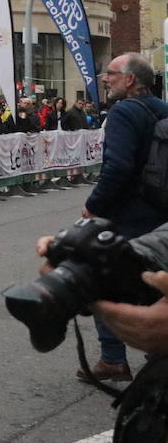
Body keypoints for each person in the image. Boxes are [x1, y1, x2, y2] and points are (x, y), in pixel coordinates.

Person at [75, 52, 168, 383]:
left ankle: (113, 359)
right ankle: (158, 353)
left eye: (111, 74)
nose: (105, 78)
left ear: (130, 80)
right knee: (157, 283)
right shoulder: (162, 108)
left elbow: (118, 166)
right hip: (161, 212)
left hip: (128, 213)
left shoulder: (124, 111)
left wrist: (94, 204)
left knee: (102, 278)